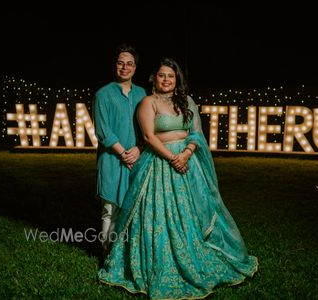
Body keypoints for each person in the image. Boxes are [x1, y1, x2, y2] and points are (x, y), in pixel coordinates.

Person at [98, 58, 258, 299]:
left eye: (170, 76)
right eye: (162, 75)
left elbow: (195, 132)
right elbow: (149, 137)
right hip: (160, 162)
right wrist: (173, 158)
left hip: (187, 161)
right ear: (154, 78)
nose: (166, 79)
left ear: (177, 80)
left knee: (192, 210)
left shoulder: (187, 101)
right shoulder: (147, 102)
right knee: (159, 214)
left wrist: (186, 153)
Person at [93, 43, 146, 255]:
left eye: (129, 64)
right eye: (120, 63)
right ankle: (107, 254)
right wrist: (124, 153)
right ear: (115, 65)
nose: (125, 67)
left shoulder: (143, 94)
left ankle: (129, 255)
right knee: (110, 209)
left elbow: (148, 128)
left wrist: (139, 149)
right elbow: (103, 130)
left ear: (135, 68)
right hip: (112, 159)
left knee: (134, 207)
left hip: (138, 157)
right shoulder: (103, 94)